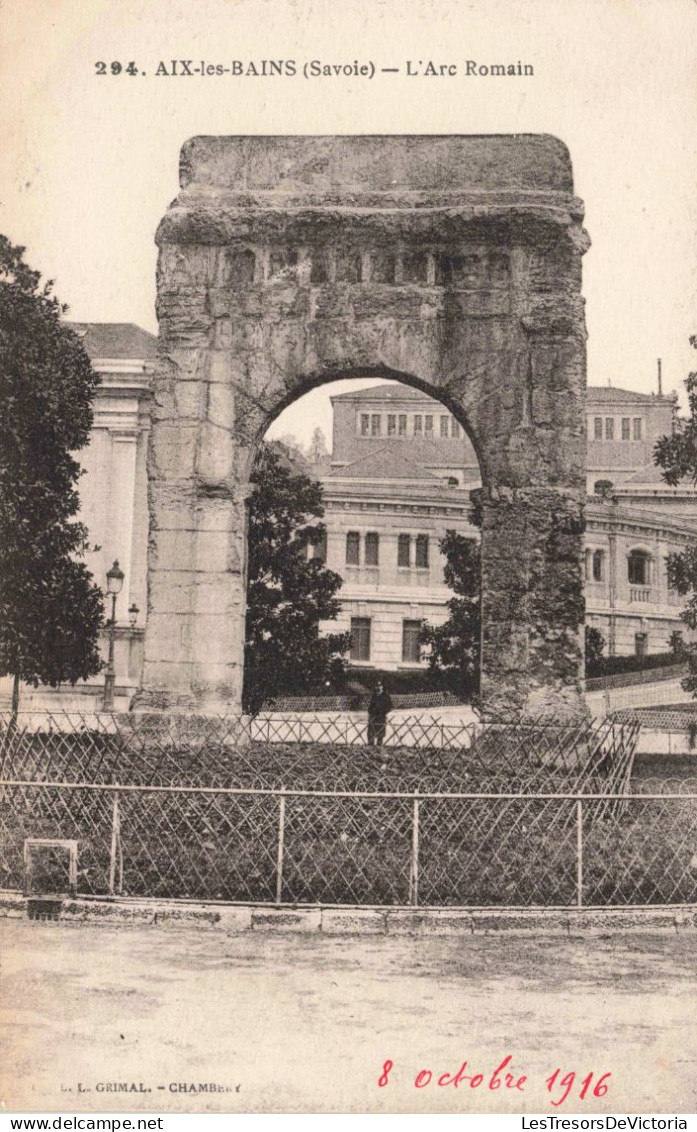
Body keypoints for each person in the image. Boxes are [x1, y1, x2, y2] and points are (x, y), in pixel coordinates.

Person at [367, 681, 393, 747]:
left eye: (380, 686)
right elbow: (370, 706)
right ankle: (370, 746)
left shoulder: (385, 696)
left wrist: (383, 712)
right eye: (377, 686)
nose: (378, 688)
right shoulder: (374, 695)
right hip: (373, 717)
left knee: (380, 733)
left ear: (382, 687)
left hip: (381, 717)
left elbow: (390, 706)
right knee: (371, 733)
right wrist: (370, 712)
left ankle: (379, 747)